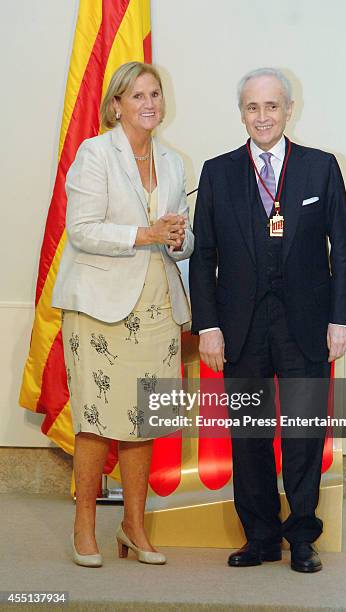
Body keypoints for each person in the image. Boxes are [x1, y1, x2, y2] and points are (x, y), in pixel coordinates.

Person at [189, 68, 346, 573]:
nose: (262, 117)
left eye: (272, 107)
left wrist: (341, 319)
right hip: (239, 328)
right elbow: (204, 258)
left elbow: (342, 251)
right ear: (242, 113)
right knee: (250, 434)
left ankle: (303, 537)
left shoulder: (321, 168)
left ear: (289, 109)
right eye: (252, 108)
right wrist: (209, 326)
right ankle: (260, 537)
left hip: (307, 326)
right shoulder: (217, 172)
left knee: (305, 432)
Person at [52, 61, 193, 567]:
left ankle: (134, 526)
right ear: (116, 105)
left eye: (155, 93)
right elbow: (82, 229)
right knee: (96, 418)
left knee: (146, 418)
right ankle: (84, 527)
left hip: (158, 305)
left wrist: (179, 238)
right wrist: (145, 234)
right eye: (138, 95)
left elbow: (182, 236)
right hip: (100, 307)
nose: (150, 103)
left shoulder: (174, 162)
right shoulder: (95, 154)